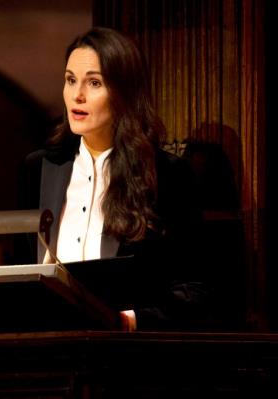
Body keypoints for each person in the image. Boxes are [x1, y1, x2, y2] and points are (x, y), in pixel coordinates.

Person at [18, 27, 209, 332]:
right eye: (70, 80)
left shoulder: (166, 174)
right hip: (48, 353)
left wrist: (129, 322)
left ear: (124, 92)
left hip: (127, 357)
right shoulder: (39, 168)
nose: (77, 95)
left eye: (94, 82)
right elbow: (21, 273)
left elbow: (195, 292)